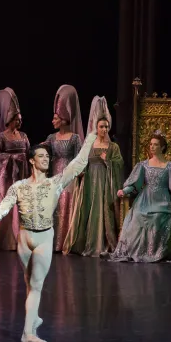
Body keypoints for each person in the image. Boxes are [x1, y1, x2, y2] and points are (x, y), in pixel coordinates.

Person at [0, 130, 98, 342]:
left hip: (44, 238)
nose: (46, 159)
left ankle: (27, 333)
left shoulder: (55, 183)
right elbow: (2, 208)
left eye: (48, 157)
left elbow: (77, 165)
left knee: (36, 285)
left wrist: (90, 139)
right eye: (41, 156)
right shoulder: (18, 187)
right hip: (24, 238)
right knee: (30, 285)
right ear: (31, 160)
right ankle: (33, 319)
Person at [102, 131, 171, 262]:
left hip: (161, 201)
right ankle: (135, 251)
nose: (152, 147)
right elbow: (135, 183)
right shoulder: (143, 165)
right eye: (151, 144)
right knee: (136, 217)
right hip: (144, 200)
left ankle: (153, 253)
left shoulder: (170, 167)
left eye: (155, 144)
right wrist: (125, 191)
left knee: (157, 218)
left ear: (162, 147)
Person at [63, 96, 124, 257]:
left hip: (105, 183)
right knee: (89, 211)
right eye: (101, 126)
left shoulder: (113, 147)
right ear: (96, 127)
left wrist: (108, 161)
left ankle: (105, 243)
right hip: (90, 182)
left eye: (106, 126)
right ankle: (86, 243)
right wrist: (80, 173)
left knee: (105, 211)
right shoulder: (89, 145)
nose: (104, 129)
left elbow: (119, 165)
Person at [0, 88, 30, 251]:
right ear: (9, 119)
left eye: (20, 119)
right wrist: (12, 158)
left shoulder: (23, 136)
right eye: (17, 119)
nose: (19, 122)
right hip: (5, 179)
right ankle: (3, 239)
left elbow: (28, 153)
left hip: (21, 177)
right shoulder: (0, 138)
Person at [41, 85, 84, 252]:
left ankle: (65, 242)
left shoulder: (74, 138)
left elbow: (79, 159)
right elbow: (42, 151)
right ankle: (52, 243)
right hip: (54, 177)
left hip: (68, 178)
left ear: (63, 118)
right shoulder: (51, 138)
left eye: (55, 117)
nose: (52, 121)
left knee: (67, 206)